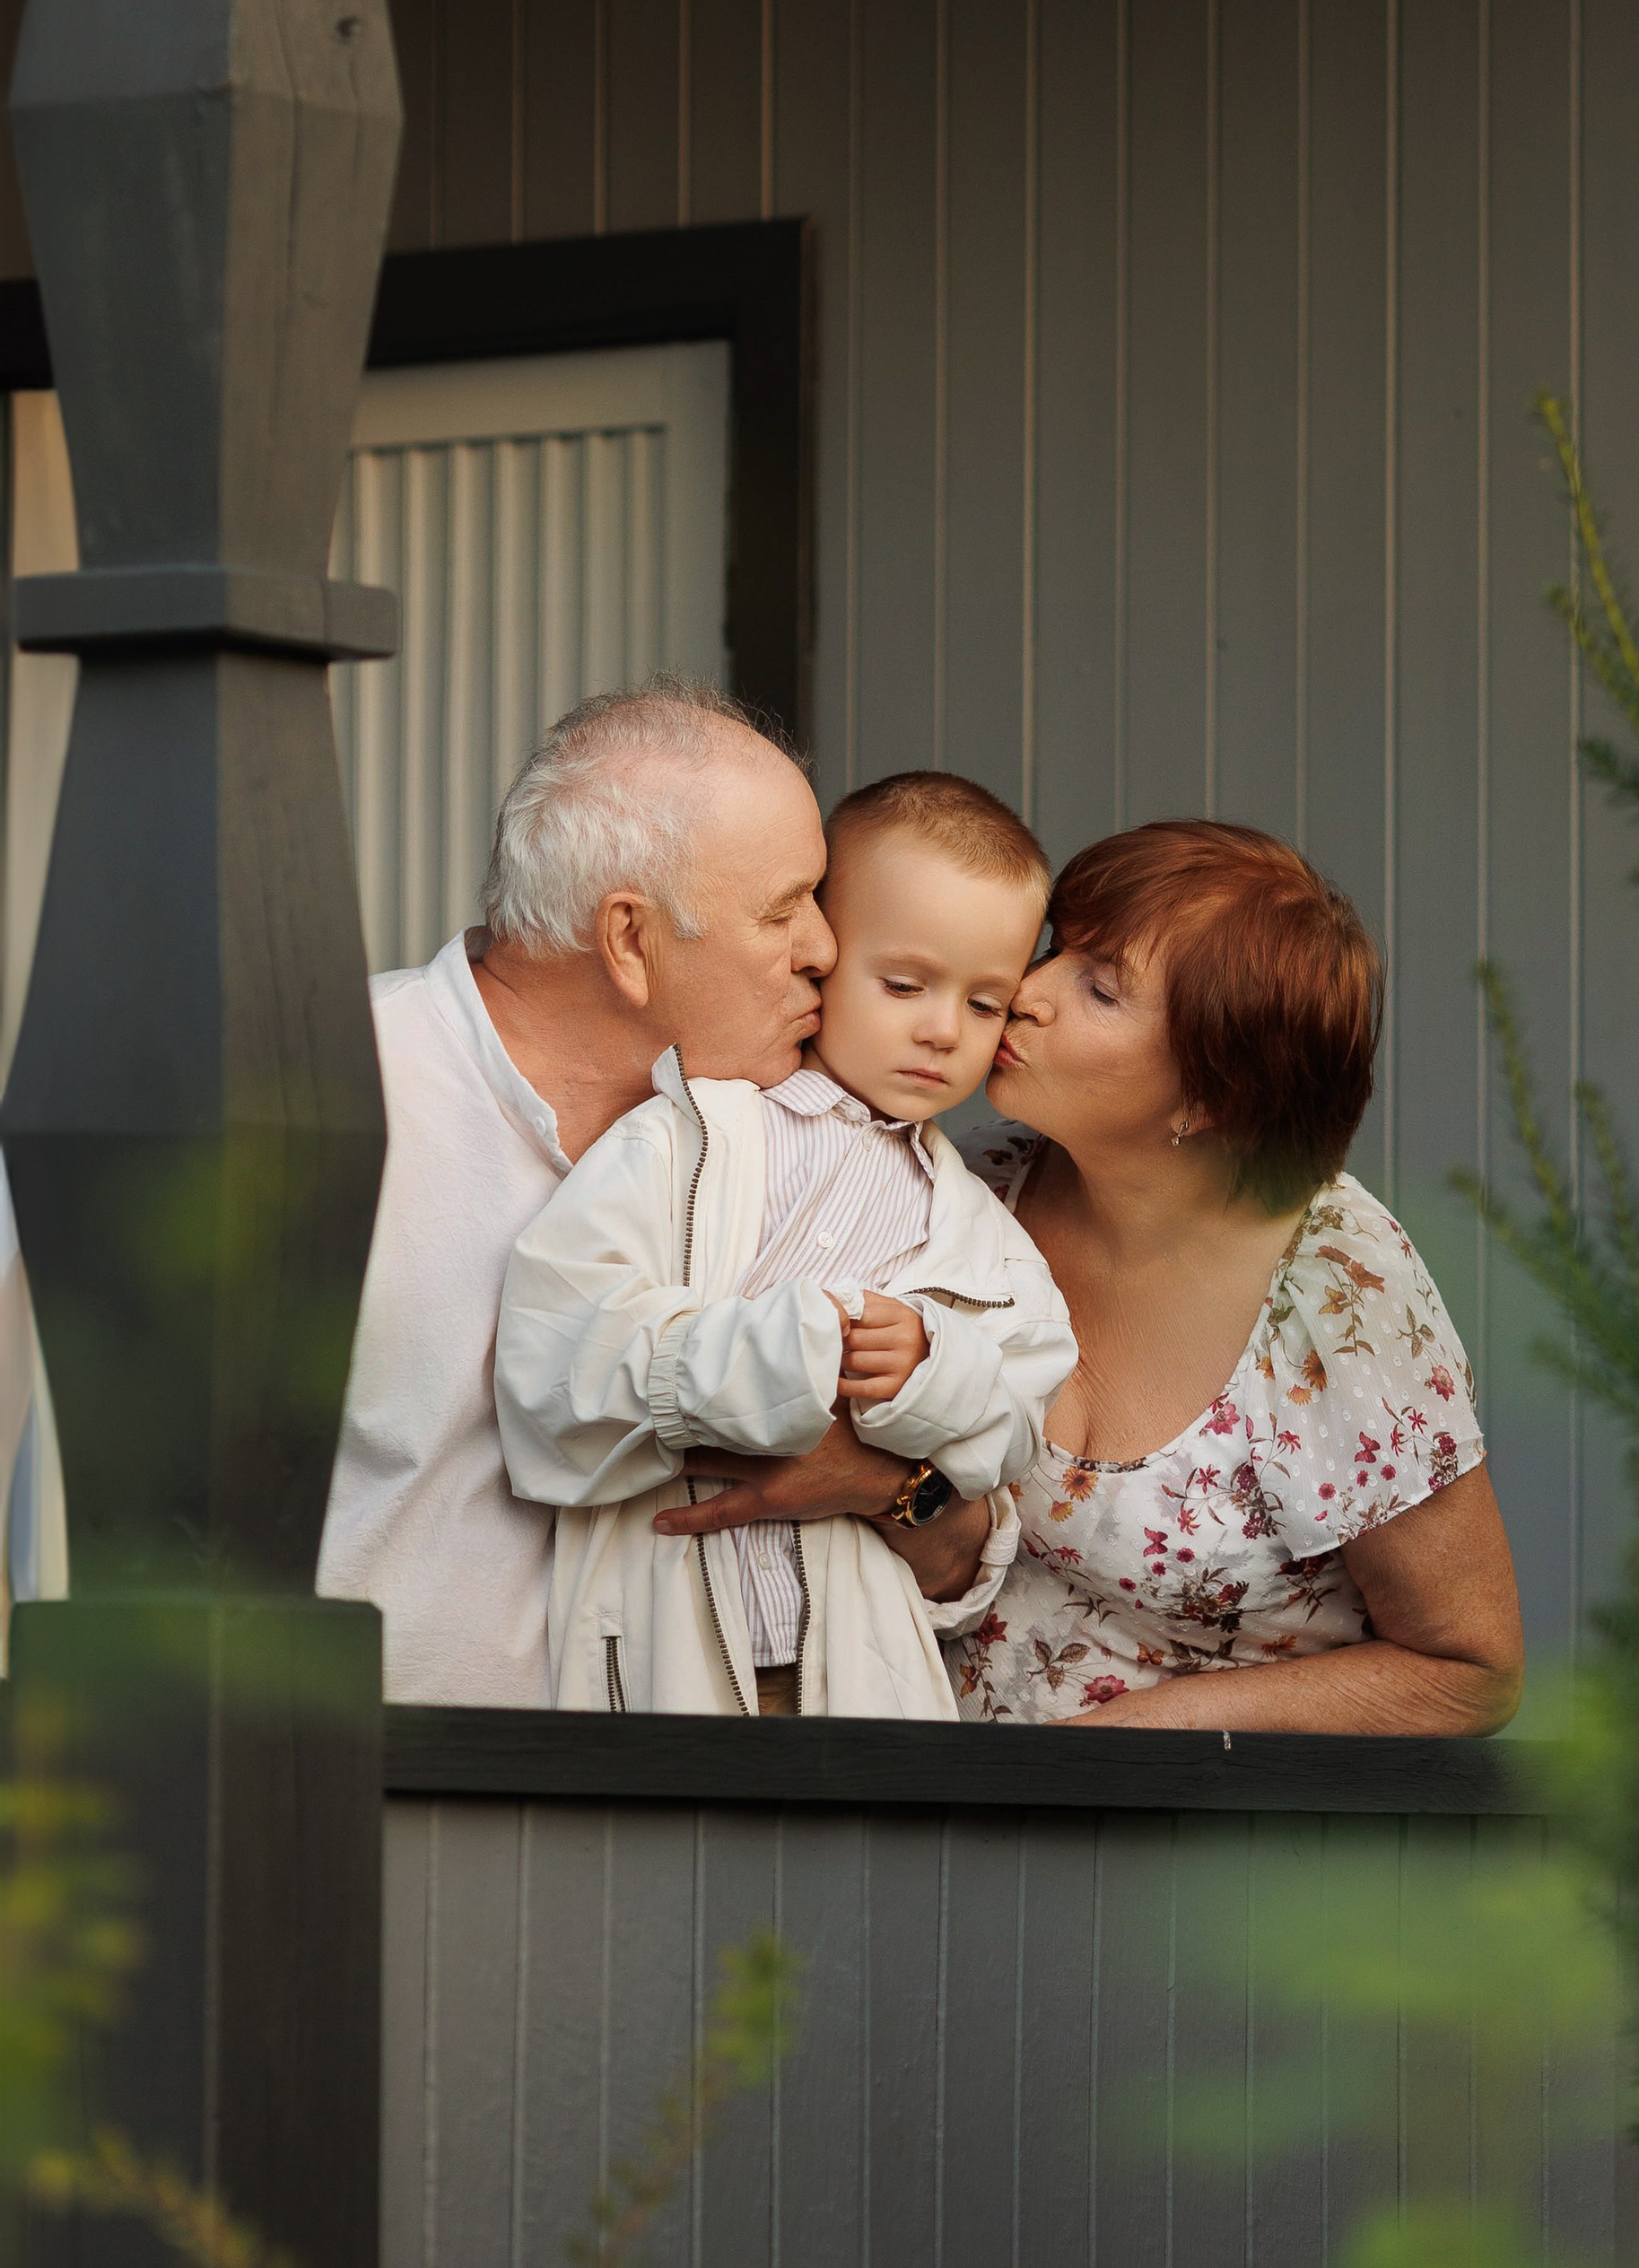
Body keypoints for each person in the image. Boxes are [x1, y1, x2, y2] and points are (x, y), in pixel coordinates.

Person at [316, 684, 995, 1704]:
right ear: (628, 939)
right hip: (351, 1817)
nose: (824, 947)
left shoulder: (845, 1140)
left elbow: (963, 1563)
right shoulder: (319, 1098)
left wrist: (890, 1486)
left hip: (709, 1836)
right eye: (785, 907)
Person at [494, 772, 1075, 1717]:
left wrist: (932, 1370)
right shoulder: (682, 1137)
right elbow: (553, 1355)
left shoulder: (982, 1234)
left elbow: (1016, 1424)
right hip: (661, 1659)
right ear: (821, 957)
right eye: (904, 983)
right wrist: (779, 1358)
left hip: (858, 1680)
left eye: (984, 1003)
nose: (941, 1029)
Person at [952, 819, 1523, 1732]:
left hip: (1199, 1848)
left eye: (1098, 988)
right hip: (931, 1815)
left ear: (1209, 1094)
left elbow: (1467, 1667)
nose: (1026, 991)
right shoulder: (976, 1187)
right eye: (1059, 950)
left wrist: (1142, 1739)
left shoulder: (1339, 1290)